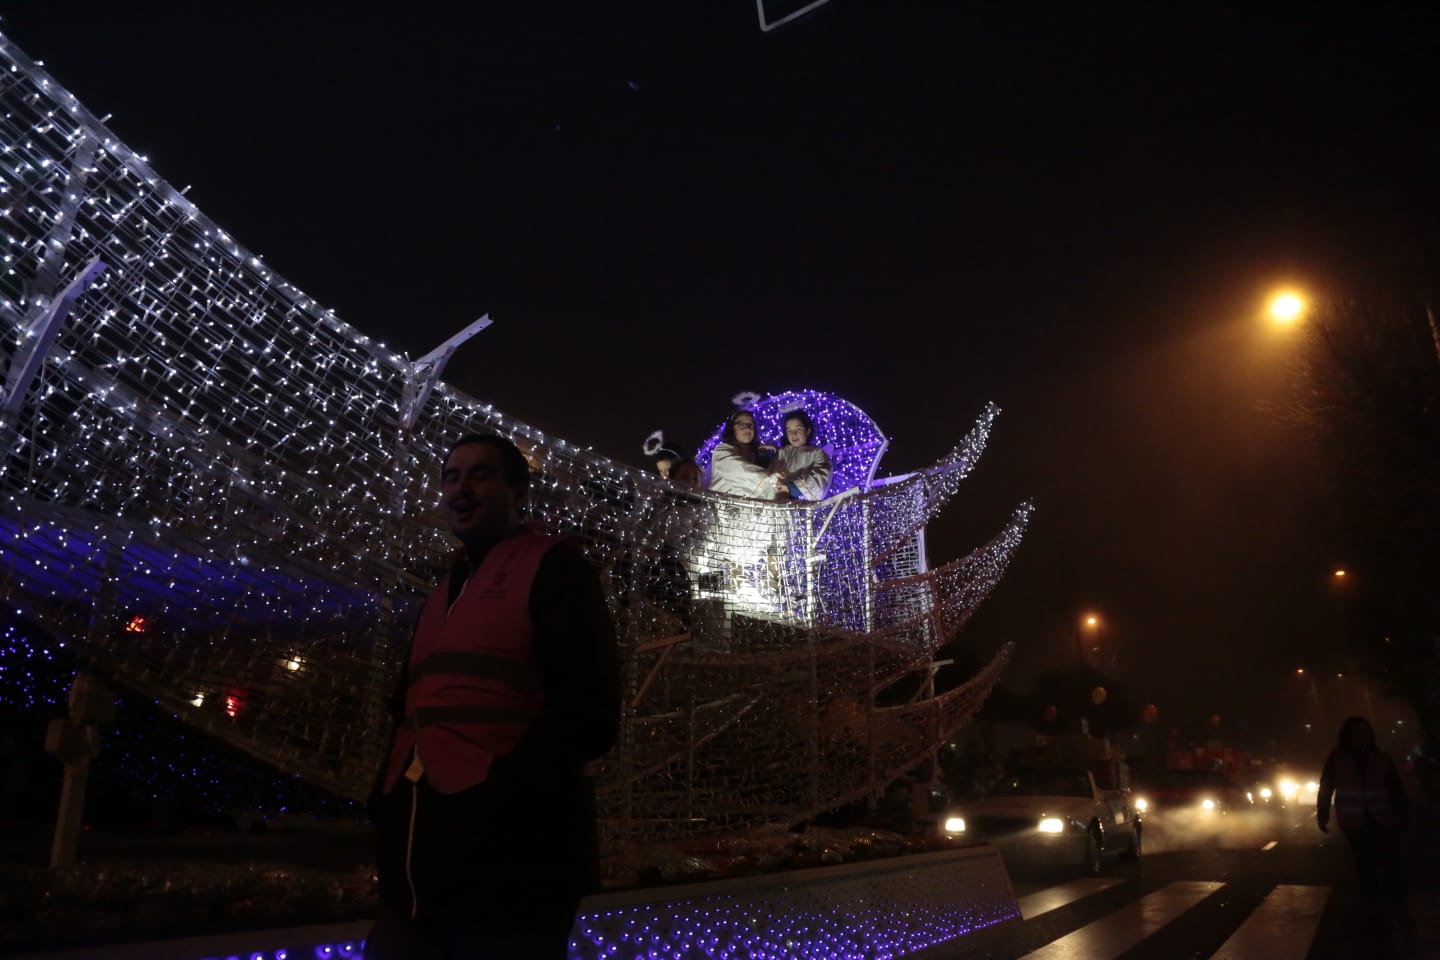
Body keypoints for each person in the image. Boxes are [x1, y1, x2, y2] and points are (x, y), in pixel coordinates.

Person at [367, 433, 620, 960]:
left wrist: (500, 801)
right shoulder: (445, 588)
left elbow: (588, 711)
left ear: (518, 492)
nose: (461, 487)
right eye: (451, 475)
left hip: (510, 871)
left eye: (481, 474)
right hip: (417, 866)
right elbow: (408, 707)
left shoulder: (555, 568)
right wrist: (385, 807)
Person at [1317, 716, 1412, 925]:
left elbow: (1395, 788)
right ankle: (1373, 907)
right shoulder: (1337, 759)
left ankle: (1397, 905)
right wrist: (1322, 815)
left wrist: (1404, 814)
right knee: (1365, 865)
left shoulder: (1381, 758)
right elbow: (1326, 787)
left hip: (1384, 820)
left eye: (1365, 733)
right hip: (1354, 823)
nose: (1361, 737)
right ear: (1347, 736)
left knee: (1391, 864)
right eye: (1356, 733)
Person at [707, 410, 786, 499]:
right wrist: (773, 478)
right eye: (741, 425)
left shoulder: (755, 457)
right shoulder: (722, 451)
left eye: (750, 425)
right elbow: (744, 472)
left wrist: (775, 453)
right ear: (732, 429)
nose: (747, 429)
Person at [774, 409, 833, 501]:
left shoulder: (818, 454)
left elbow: (820, 484)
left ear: (808, 430)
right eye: (789, 430)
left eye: (798, 429)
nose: (793, 434)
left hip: (803, 506)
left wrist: (791, 488)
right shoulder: (781, 453)